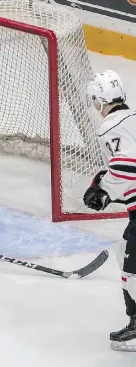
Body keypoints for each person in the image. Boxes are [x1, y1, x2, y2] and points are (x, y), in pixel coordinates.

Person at [84, 70, 136, 352]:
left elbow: (127, 165)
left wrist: (103, 188)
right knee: (124, 249)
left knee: (132, 267)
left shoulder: (110, 127)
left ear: (98, 100)